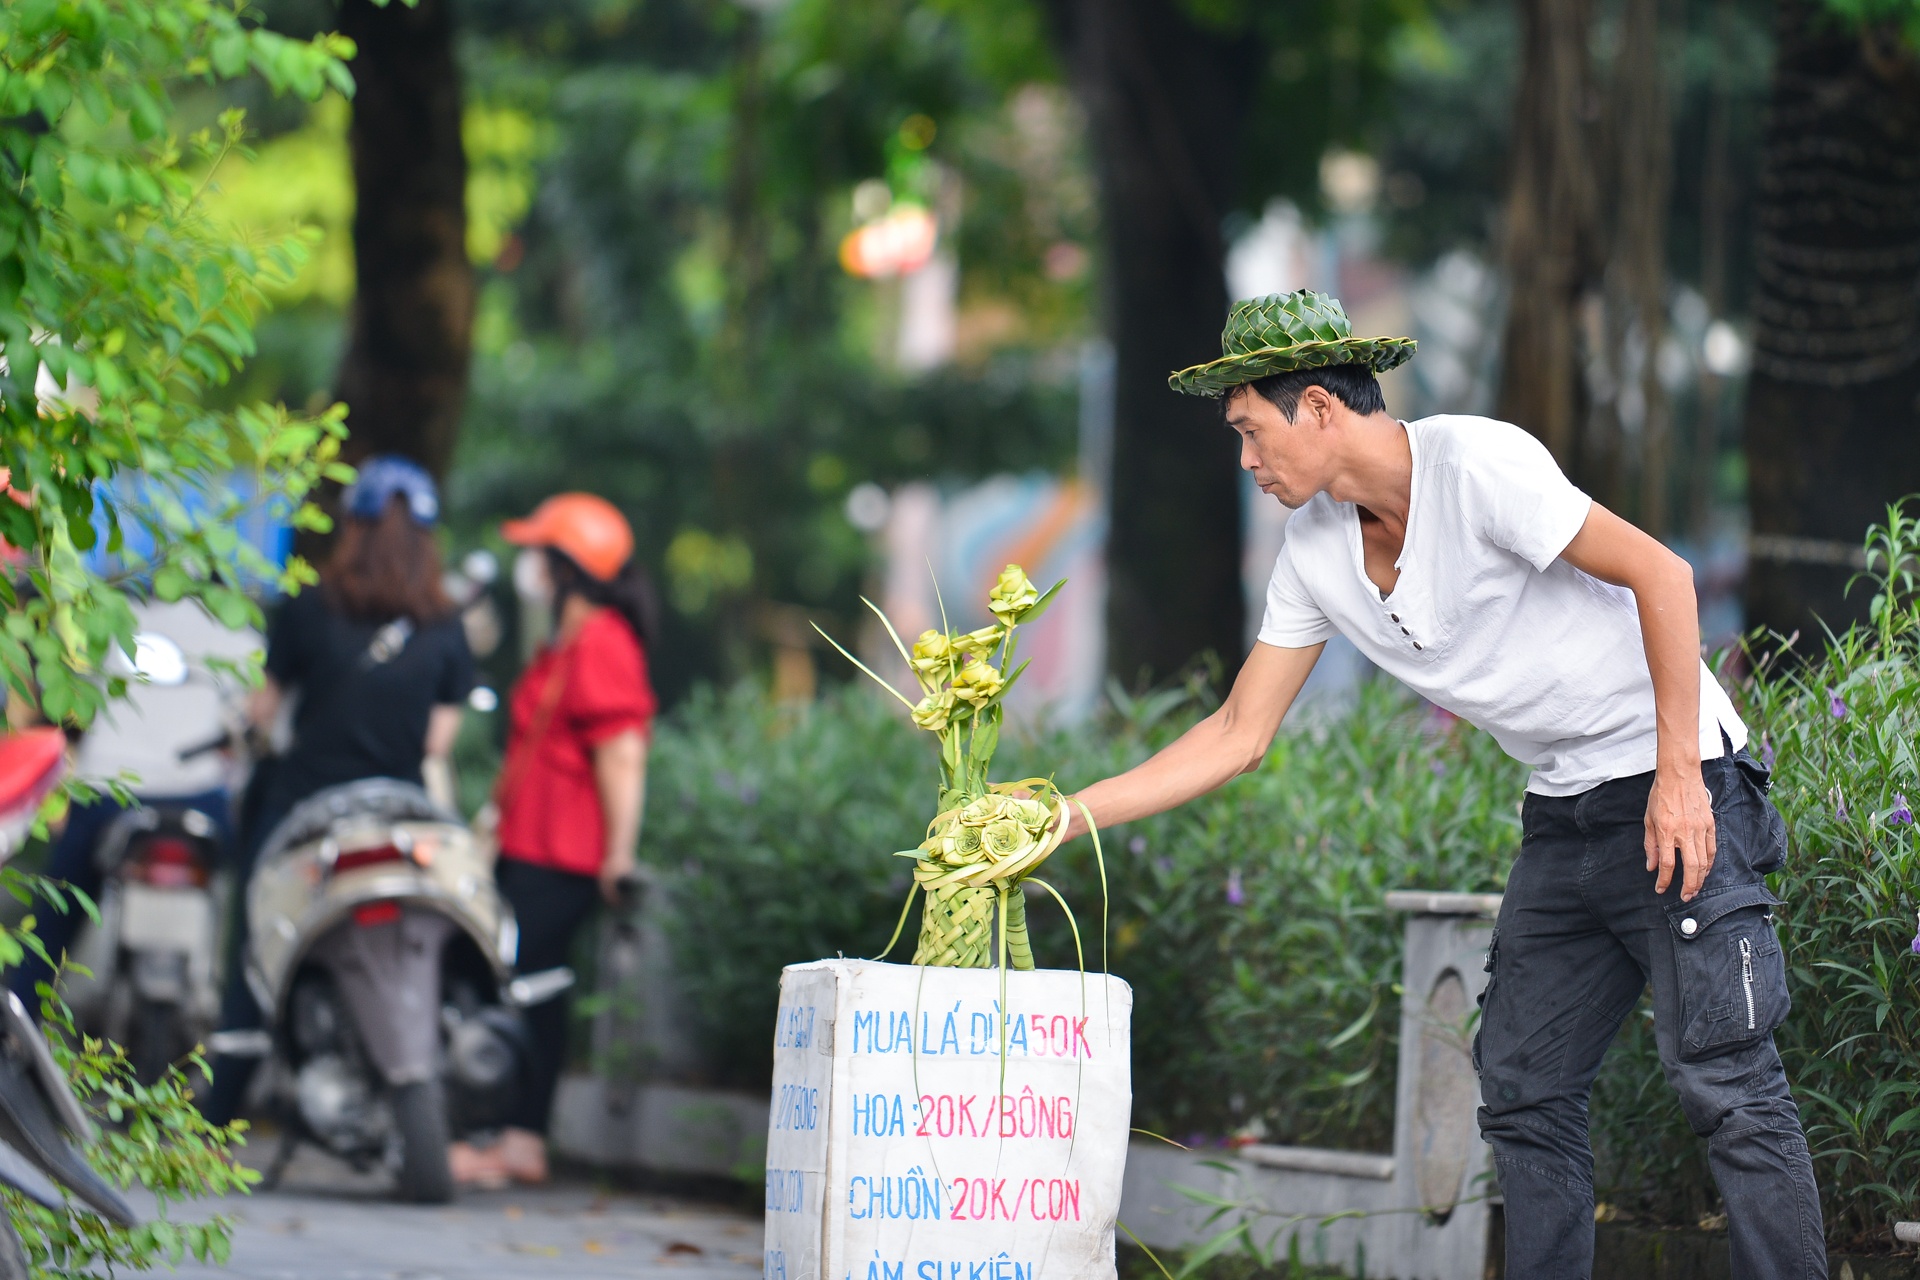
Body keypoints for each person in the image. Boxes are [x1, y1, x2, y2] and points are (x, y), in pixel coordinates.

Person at [1060, 292, 1825, 1279]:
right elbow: (1238, 731)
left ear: (1321, 409)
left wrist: (1681, 775)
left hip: (1682, 782)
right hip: (1566, 816)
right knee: (1522, 1087)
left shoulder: (1477, 466)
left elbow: (1663, 576)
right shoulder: (1315, 553)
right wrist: (1066, 815)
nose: (1246, 460)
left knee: (1728, 1081)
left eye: (1253, 431)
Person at [200, 455, 475, 1125]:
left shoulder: (309, 607)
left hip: (304, 813)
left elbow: (263, 712)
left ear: (353, 527)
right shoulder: (445, 626)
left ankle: (214, 1118)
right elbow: (438, 742)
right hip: (397, 819)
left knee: (256, 948)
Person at [449, 492, 657, 1187]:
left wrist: (619, 854)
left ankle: (511, 1138)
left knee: (515, 986)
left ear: (566, 567)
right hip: (528, 846)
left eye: (538, 552)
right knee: (533, 990)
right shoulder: (568, 639)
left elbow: (623, 752)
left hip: (562, 856)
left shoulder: (602, 641)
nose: (527, 563)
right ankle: (516, 1139)